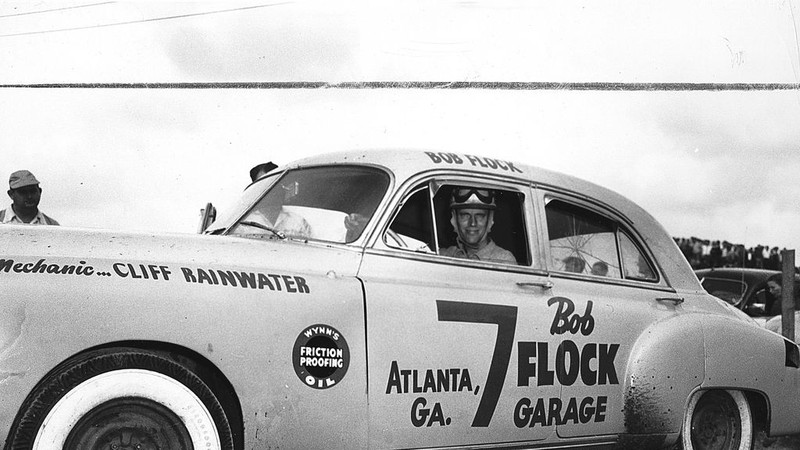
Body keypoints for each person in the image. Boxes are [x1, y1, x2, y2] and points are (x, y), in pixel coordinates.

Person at [439, 187, 517, 264]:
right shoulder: (444, 256)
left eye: (480, 216)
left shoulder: (504, 261)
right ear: (454, 219)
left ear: (490, 219)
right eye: (465, 215)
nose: (472, 223)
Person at [764, 273, 800, 344]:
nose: (770, 291)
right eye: (769, 288)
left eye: (773, 287)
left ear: (783, 286)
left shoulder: (780, 304)